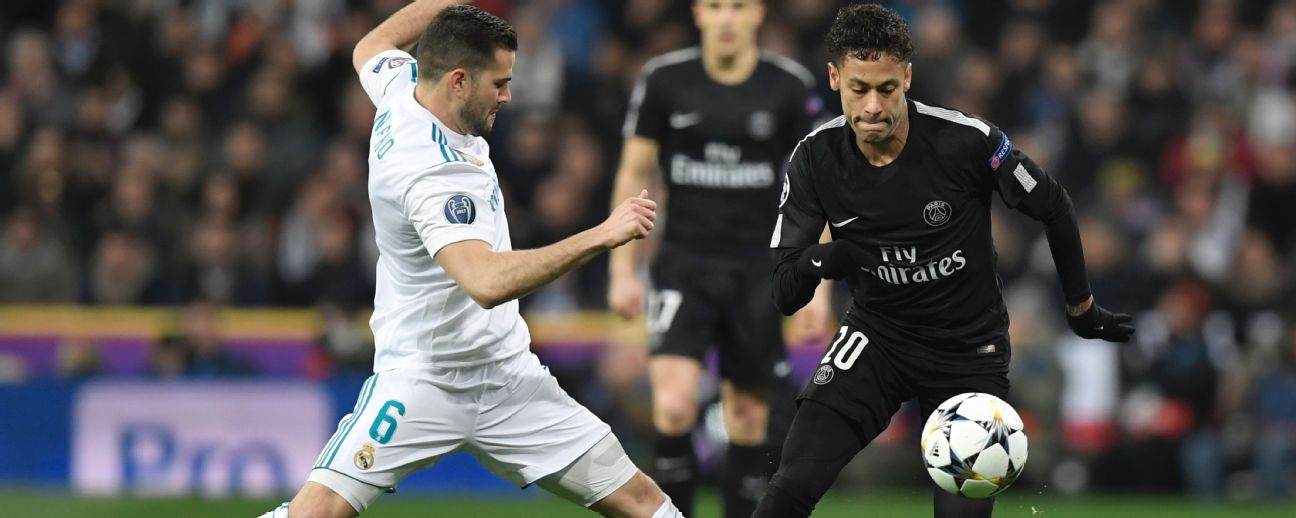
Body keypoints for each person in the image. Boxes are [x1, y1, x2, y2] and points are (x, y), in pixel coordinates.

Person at [263, 3, 682, 517]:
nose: (508, 94)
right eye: (499, 83)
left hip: (508, 377)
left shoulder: (402, 87)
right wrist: (600, 235)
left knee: (645, 502)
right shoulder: (435, 174)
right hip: (424, 380)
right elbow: (484, 282)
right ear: (459, 81)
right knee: (316, 512)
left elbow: (369, 47)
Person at [754, 5, 1135, 518]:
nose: (871, 106)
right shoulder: (813, 159)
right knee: (790, 486)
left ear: (907, 77)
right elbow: (785, 291)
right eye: (858, 88)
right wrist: (830, 258)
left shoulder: (967, 142)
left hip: (968, 352)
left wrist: (1081, 308)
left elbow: (1055, 206)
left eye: (886, 88)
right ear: (834, 77)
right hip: (876, 340)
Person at [606, 1, 830, 516]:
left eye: (737, 6)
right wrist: (623, 267)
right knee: (675, 404)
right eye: (714, 6)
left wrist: (819, 284)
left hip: (758, 270)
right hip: (683, 264)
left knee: (749, 417)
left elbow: (815, 191)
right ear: (698, 13)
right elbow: (633, 172)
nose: (726, 17)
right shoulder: (664, 80)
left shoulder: (789, 86)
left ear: (758, 13)